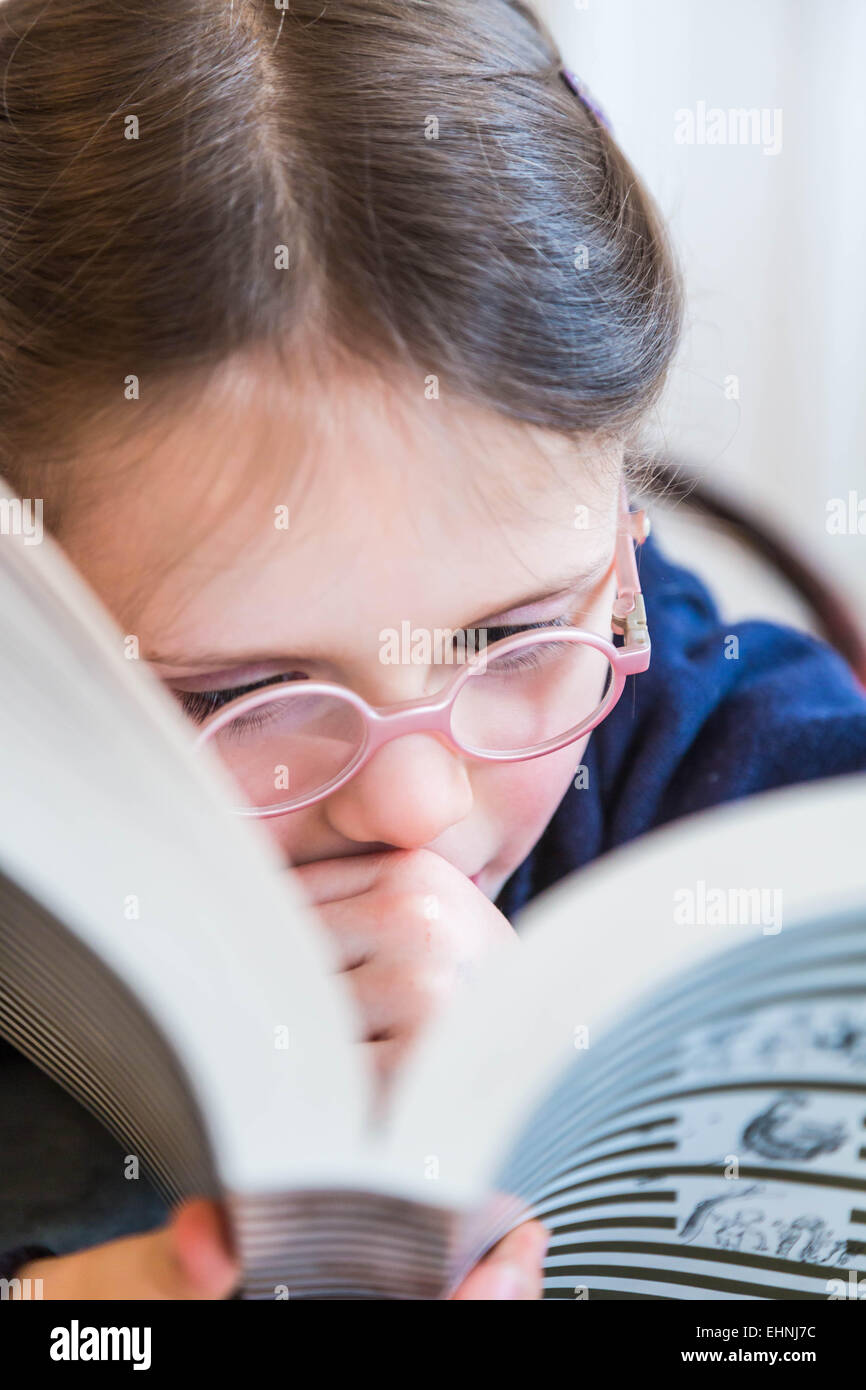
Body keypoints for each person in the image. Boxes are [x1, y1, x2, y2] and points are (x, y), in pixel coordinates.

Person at [1, 0, 864, 1300]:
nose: (412, 807)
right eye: (239, 691)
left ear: (622, 537)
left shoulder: (765, 795)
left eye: (517, 636)